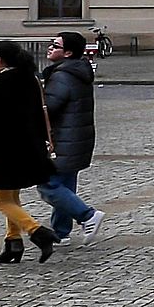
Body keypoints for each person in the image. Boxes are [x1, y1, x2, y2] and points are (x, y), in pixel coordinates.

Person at [0, 41, 60, 264]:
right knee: (12, 196)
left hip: (6, 148)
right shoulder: (30, 77)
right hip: (29, 146)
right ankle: (13, 243)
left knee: (1, 200)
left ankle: (38, 232)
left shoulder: (2, 81)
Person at [39, 31, 104, 244]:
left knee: (48, 185)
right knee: (65, 184)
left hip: (64, 139)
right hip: (77, 138)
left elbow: (48, 109)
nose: (50, 48)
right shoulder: (78, 71)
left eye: (55, 45)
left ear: (67, 53)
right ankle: (61, 232)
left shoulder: (61, 76)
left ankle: (87, 215)